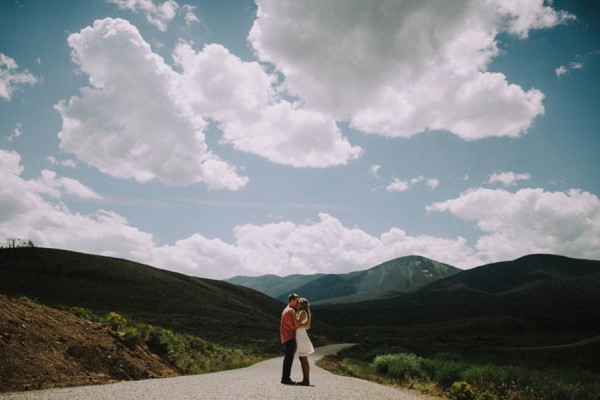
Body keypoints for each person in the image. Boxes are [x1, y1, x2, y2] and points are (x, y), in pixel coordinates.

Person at [294, 297, 315, 386]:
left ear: (301, 304)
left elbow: (296, 324)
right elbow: (306, 325)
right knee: (303, 358)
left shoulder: (302, 312)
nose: (297, 303)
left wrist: (293, 315)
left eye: (298, 302)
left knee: (303, 359)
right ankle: (305, 379)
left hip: (301, 336)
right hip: (301, 335)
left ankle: (306, 380)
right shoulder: (304, 312)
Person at [280, 293, 299, 385]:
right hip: (289, 337)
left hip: (287, 337)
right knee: (288, 358)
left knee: (288, 358)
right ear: (291, 300)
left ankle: (285, 378)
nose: (298, 303)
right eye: (296, 301)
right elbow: (293, 326)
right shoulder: (289, 311)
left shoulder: (287, 310)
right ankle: (285, 378)